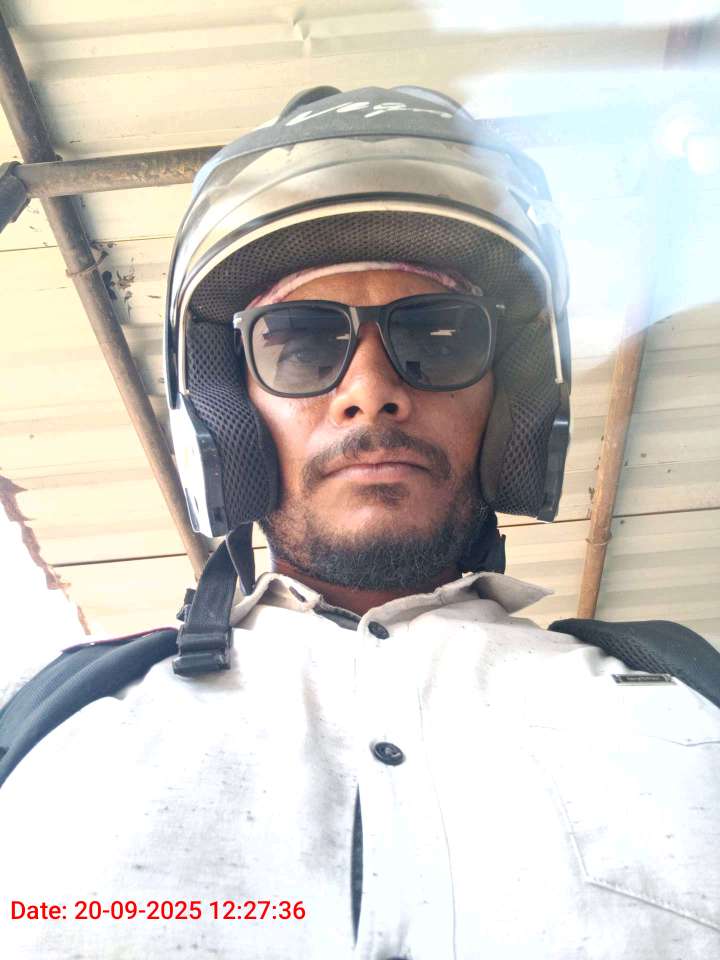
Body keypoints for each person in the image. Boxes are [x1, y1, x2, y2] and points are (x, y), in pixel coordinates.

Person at [1, 85, 719, 960]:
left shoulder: (686, 696)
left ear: (511, 408)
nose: (371, 391)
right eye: (301, 344)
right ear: (231, 411)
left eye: (441, 337)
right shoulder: (58, 716)